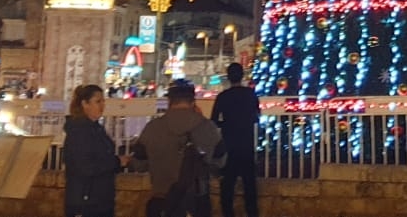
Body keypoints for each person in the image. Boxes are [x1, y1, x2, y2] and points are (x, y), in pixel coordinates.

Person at [135, 81, 223, 217]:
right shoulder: (208, 127)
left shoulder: (152, 128)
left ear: (169, 101)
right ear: (193, 101)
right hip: (196, 202)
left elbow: (139, 163)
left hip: (162, 203)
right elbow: (220, 161)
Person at [63, 84, 131, 217]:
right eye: (97, 101)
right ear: (85, 104)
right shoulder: (80, 131)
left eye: (103, 101)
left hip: (99, 198)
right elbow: (85, 166)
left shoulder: (95, 128)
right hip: (86, 200)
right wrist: (117, 162)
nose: (102, 105)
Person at [210, 64, 260, 217]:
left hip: (229, 144)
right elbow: (256, 116)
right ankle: (252, 213)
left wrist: (226, 124)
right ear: (242, 76)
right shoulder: (250, 95)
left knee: (228, 184)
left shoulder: (223, 97)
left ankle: (228, 213)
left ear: (228, 76)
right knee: (249, 184)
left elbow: (214, 119)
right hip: (246, 143)